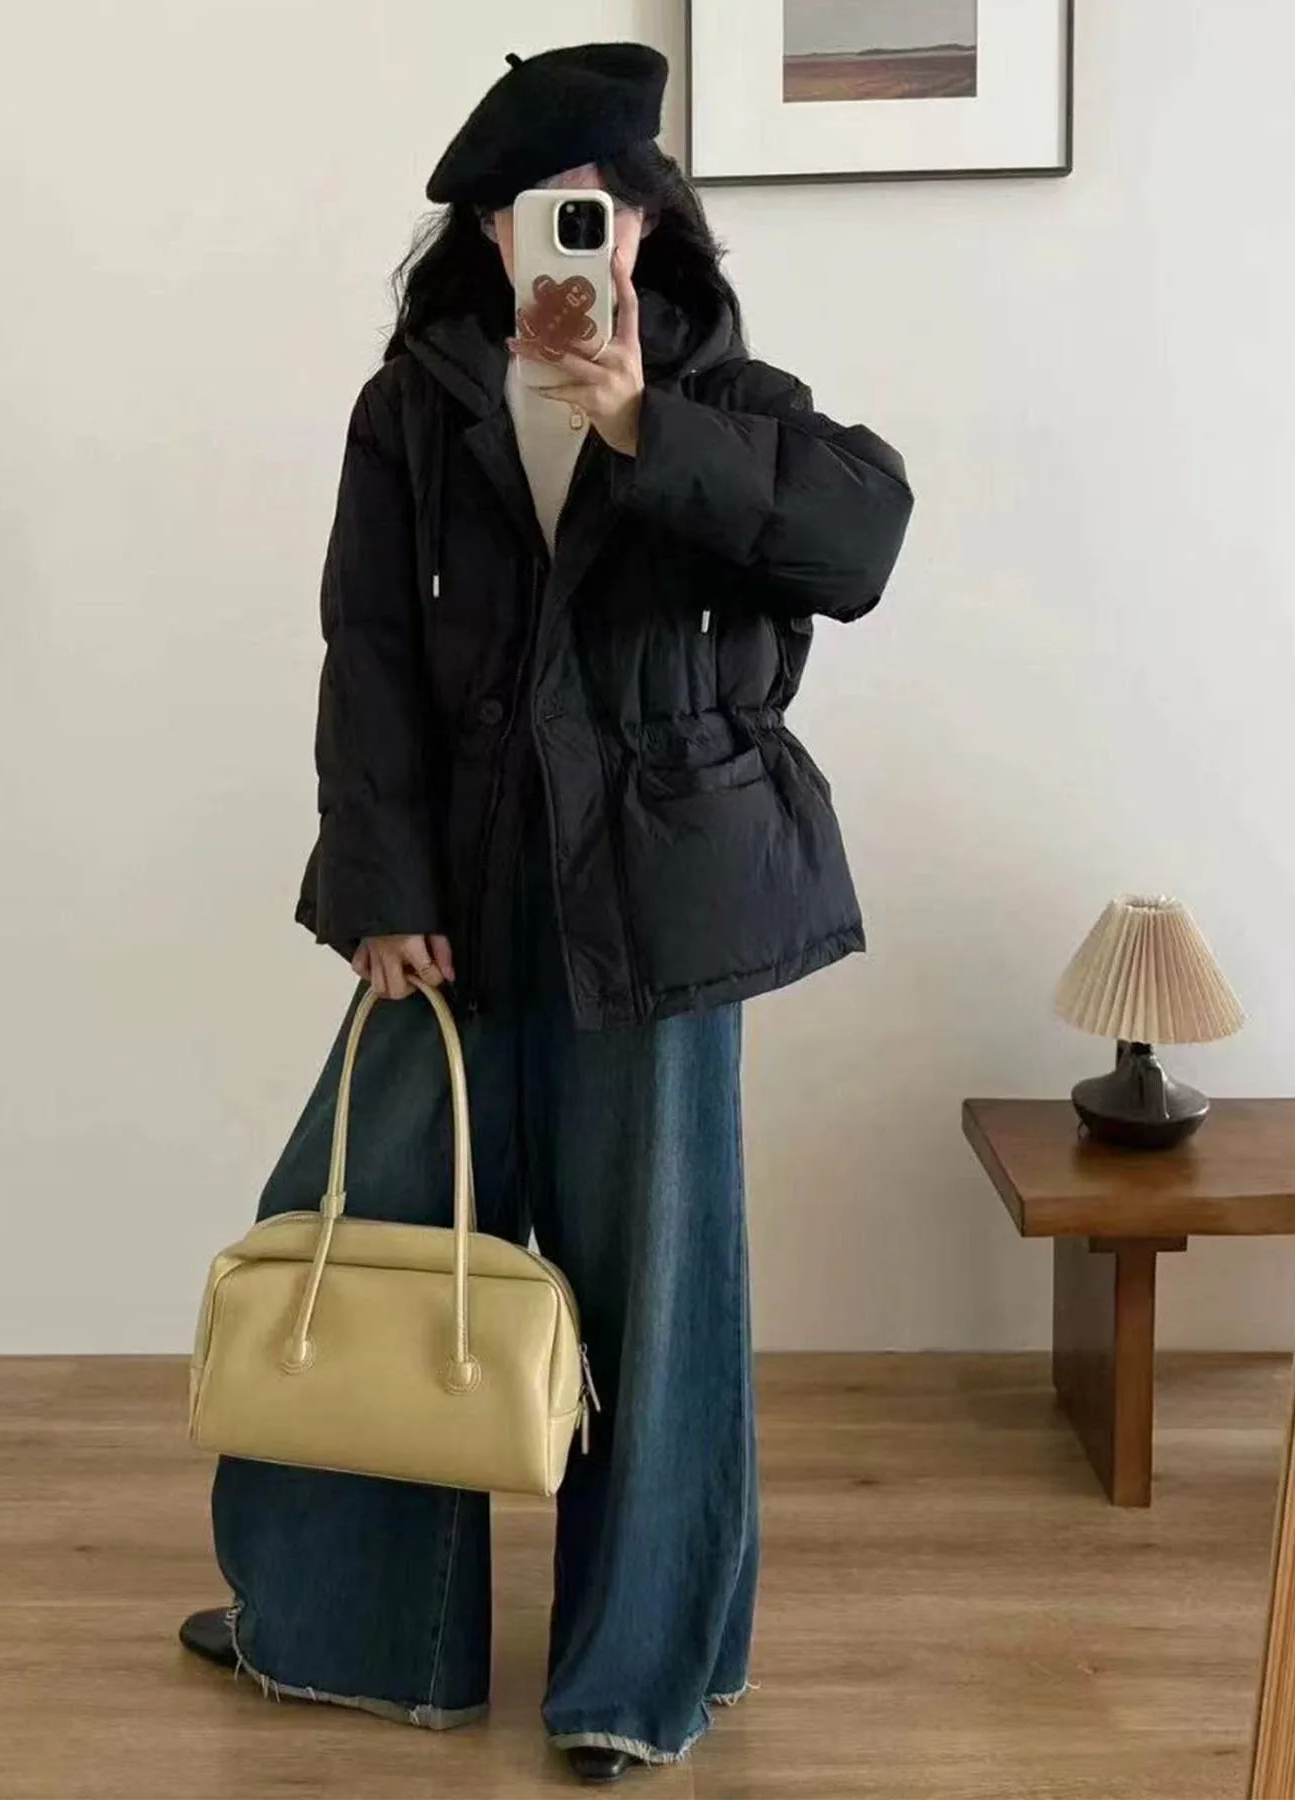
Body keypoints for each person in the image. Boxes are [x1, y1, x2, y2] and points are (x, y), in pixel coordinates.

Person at [181, 42, 913, 1786]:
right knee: (358, 1239)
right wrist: (382, 888)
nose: (576, 239)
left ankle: (634, 1677)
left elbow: (862, 544)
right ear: (491, 237)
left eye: (604, 207)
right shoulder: (412, 404)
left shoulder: (734, 398)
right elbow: (367, 652)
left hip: (658, 913)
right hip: (455, 904)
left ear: (650, 223)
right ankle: (355, 1628)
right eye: (538, 214)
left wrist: (646, 423)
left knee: (657, 1295)